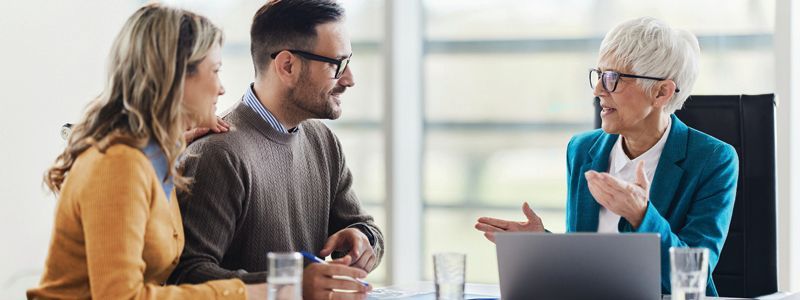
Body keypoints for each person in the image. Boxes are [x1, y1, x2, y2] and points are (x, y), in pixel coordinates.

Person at [474, 17, 737, 296]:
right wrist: (542, 244)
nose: (598, 89)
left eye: (613, 78)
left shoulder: (714, 160)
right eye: (599, 75)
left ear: (661, 92)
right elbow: (587, 263)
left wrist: (641, 215)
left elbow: (691, 277)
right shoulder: (582, 150)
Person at [27, 4, 265, 299]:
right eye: (215, 71)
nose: (221, 88)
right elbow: (122, 297)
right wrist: (253, 292)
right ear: (175, 76)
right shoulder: (118, 165)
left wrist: (174, 145)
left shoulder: (150, 158)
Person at [168, 1, 384, 299]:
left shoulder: (324, 142)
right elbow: (187, 275)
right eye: (337, 64)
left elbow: (365, 227)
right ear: (287, 66)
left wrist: (364, 239)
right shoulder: (218, 154)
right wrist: (290, 284)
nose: (349, 79)